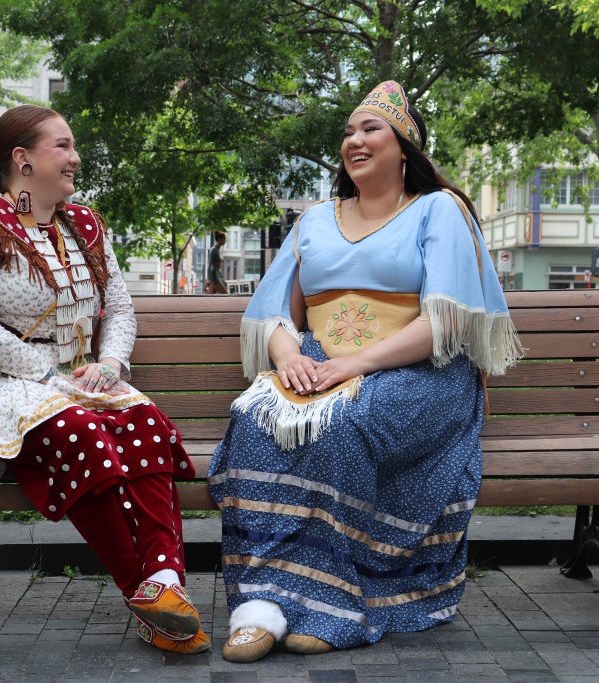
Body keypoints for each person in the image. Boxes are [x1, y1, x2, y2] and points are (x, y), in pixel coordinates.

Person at [208, 81, 523, 662]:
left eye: (369, 129)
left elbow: (444, 324)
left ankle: (327, 604)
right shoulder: (313, 220)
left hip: (424, 374)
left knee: (346, 426)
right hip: (323, 368)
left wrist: (350, 366)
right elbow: (274, 312)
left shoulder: (439, 209)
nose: (354, 140)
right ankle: (260, 605)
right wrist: (290, 357)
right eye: (349, 131)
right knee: (254, 425)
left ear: (404, 145)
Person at [0, 105, 208, 655]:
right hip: (1, 378)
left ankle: (166, 584)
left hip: (80, 378)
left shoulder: (86, 226)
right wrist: (55, 377)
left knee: (145, 421)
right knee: (84, 434)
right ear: (23, 160)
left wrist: (109, 364)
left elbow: (119, 311)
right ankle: (143, 594)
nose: (76, 158)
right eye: (64, 146)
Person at [206, 230, 228, 294]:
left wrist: (221, 277)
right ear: (219, 239)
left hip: (217, 275)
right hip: (214, 277)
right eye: (224, 239)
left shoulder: (217, 250)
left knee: (211, 296)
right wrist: (208, 279)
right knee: (225, 294)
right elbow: (209, 265)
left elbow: (217, 267)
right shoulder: (213, 250)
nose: (225, 241)